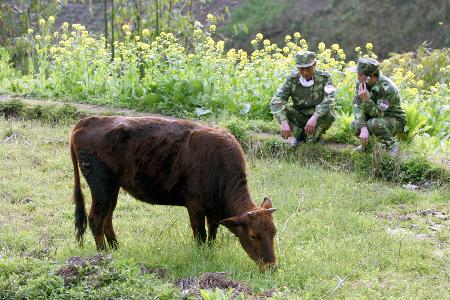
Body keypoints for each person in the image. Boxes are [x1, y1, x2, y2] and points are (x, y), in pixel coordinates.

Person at [270, 51, 336, 146]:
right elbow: (276, 100)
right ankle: (297, 135)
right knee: (282, 108)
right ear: (297, 68)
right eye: (301, 69)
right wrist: (283, 122)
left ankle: (314, 136)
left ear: (315, 64)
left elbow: (329, 100)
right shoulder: (292, 79)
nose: (305, 72)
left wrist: (315, 117)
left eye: (308, 68)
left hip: (317, 118)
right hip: (298, 116)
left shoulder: (325, 78)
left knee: (329, 115)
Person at [350, 58, 406, 156]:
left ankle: (391, 146)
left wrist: (366, 100)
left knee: (373, 124)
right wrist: (363, 127)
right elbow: (357, 106)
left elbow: (380, 114)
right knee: (355, 125)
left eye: (360, 74)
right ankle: (368, 145)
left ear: (370, 77)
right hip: (375, 116)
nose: (358, 77)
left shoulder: (388, 88)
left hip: (393, 119)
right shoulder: (361, 84)